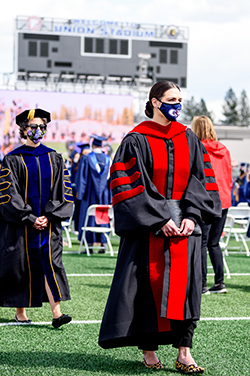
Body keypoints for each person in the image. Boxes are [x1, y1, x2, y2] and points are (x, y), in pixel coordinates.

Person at [98, 81, 221, 374]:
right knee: (146, 289)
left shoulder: (189, 139)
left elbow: (202, 182)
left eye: (180, 99)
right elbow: (126, 185)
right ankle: (150, 352)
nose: (177, 105)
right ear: (155, 102)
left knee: (187, 289)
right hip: (149, 228)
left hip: (187, 229)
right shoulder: (136, 140)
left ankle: (184, 353)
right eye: (171, 99)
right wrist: (159, 219)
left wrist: (192, 216)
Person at [0, 108, 73, 328]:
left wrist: (48, 215)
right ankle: (21, 312)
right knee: (21, 265)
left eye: (42, 127)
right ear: (23, 129)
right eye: (33, 127)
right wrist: (28, 216)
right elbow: (8, 193)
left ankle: (57, 313)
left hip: (48, 225)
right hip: (21, 226)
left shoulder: (54, 157)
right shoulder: (13, 159)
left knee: (50, 264)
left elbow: (62, 191)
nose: (38, 131)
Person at [191, 115, 232, 295]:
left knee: (201, 242)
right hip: (224, 200)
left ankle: (202, 285)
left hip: (206, 200)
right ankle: (219, 282)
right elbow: (229, 177)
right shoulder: (224, 149)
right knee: (214, 243)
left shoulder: (197, 149)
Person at [75, 134, 112, 253]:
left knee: (88, 216)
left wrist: (80, 194)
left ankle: (88, 244)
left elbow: (82, 178)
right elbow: (110, 178)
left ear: (92, 144)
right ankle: (103, 244)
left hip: (89, 194)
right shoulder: (108, 159)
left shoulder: (86, 158)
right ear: (101, 145)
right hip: (104, 194)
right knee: (102, 216)